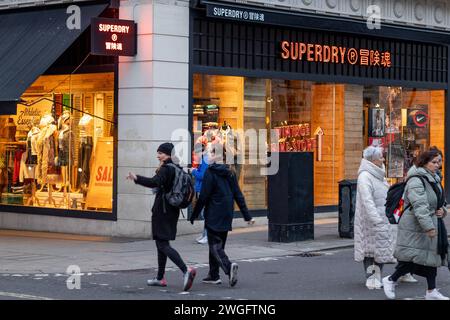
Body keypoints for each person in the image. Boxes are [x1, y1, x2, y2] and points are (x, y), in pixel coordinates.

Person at [126, 142, 196, 291]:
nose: (158, 155)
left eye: (161, 153)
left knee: (163, 244)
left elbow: (153, 183)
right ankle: (160, 277)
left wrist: (136, 177)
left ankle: (186, 270)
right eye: (158, 153)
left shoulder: (166, 169)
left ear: (169, 154)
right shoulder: (176, 168)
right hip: (171, 210)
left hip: (163, 211)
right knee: (161, 243)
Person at [383, 148, 449, 300]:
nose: (437, 165)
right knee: (415, 258)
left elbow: (439, 201)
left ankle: (431, 291)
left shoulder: (434, 178)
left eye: (439, 161)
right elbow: (419, 205)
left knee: (432, 257)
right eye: (434, 162)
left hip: (432, 222)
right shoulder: (416, 180)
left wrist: (442, 211)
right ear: (424, 162)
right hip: (416, 226)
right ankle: (390, 279)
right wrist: (429, 227)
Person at [190, 142, 255, 286]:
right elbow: (238, 195)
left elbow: (204, 197)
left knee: (214, 245)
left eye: (211, 153)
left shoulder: (211, 172)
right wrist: (247, 215)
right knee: (219, 245)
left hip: (214, 212)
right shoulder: (230, 171)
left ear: (216, 156)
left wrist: (194, 214)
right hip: (227, 212)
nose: (208, 156)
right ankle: (213, 275)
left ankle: (228, 267)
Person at [354, 146, 398, 290]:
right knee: (369, 251)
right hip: (370, 221)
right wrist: (376, 219)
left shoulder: (378, 174)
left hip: (382, 218)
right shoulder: (365, 176)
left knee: (380, 250)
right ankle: (371, 278)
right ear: (372, 159)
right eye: (380, 157)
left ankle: (377, 277)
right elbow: (367, 201)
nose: (383, 159)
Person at [191, 142, 209, 244]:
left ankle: (207, 236)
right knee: (204, 213)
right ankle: (204, 235)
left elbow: (203, 176)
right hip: (202, 189)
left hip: (204, 190)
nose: (194, 155)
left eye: (195, 153)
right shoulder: (204, 159)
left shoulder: (205, 160)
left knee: (205, 214)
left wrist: (193, 171)